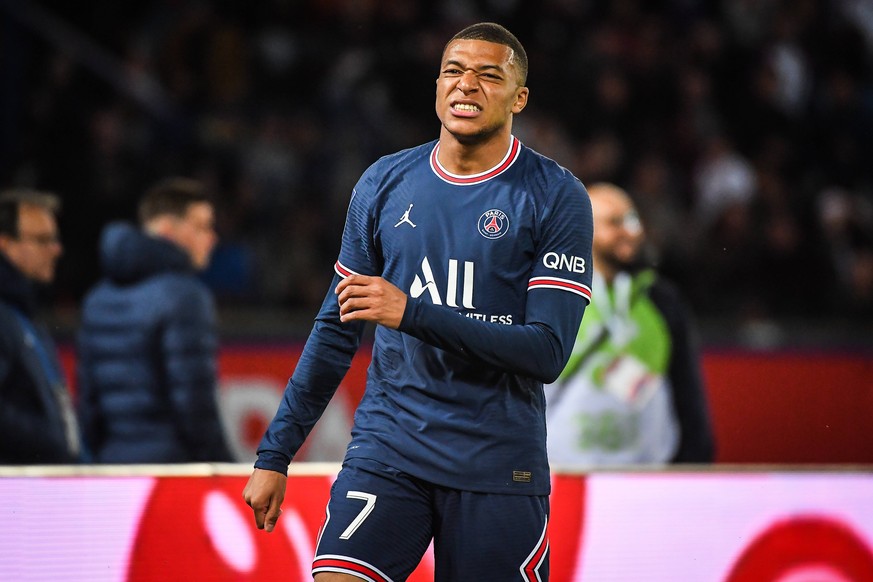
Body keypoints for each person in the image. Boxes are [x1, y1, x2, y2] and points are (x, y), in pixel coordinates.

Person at [243, 22, 593, 581]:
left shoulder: (555, 196)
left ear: (519, 97)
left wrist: (412, 312)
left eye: (488, 76)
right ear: (436, 86)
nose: (466, 86)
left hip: (496, 465)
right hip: (390, 449)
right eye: (453, 71)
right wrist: (274, 453)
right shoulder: (384, 182)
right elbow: (336, 329)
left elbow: (546, 351)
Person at [546, 182, 715, 466]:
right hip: (563, 478)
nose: (631, 231)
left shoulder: (661, 299)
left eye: (633, 220)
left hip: (645, 478)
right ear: (582, 227)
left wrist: (695, 458)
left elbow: (686, 387)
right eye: (615, 222)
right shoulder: (549, 295)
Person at [76, 177, 234, 463]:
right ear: (166, 231)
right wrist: (221, 464)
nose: (212, 238)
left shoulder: (96, 298)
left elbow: (89, 404)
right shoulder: (185, 296)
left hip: (112, 465)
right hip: (172, 470)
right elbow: (194, 404)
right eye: (202, 227)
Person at [0, 189, 81, 464]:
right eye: (42, 240)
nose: (56, 249)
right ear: (5, 243)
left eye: (55, 239)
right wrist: (53, 443)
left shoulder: (25, 314)